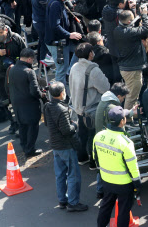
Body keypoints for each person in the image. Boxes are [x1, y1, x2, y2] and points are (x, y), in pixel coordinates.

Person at [44, 82, 89, 212]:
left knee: (60, 174)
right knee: (73, 175)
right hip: (66, 146)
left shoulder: (47, 106)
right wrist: (75, 125)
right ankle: (73, 203)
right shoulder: (62, 110)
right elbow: (67, 131)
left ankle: (62, 200)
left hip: (55, 146)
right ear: (61, 93)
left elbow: (48, 123)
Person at [93, 106, 141, 227]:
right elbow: (133, 168)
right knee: (124, 210)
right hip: (124, 184)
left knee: (106, 205)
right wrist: (138, 185)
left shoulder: (99, 136)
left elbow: (96, 159)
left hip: (106, 180)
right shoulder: (126, 142)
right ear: (122, 121)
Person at [69, 43, 111, 165]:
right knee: (94, 136)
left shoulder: (74, 67)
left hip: (78, 107)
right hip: (92, 109)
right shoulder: (93, 70)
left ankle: (82, 158)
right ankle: (94, 162)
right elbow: (105, 88)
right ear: (90, 54)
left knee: (82, 134)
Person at [0, 20, 26, 132]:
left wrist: (18, 64)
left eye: (0, 33)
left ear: (6, 30)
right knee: (5, 101)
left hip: (16, 75)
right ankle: (13, 123)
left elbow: (26, 53)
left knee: (19, 101)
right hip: (0, 76)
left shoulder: (16, 38)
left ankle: (20, 123)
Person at [9, 48, 45, 157]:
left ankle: (24, 146)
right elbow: (34, 91)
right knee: (32, 126)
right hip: (30, 105)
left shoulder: (12, 69)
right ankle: (30, 150)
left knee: (22, 126)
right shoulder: (29, 72)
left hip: (16, 103)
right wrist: (42, 95)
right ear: (29, 59)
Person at [113, 7, 148, 110]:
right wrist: (144, 15)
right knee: (132, 96)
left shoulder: (117, 30)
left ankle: (130, 115)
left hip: (126, 67)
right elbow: (146, 29)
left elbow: (132, 29)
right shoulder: (130, 33)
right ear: (129, 21)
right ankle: (128, 119)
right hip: (132, 70)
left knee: (132, 94)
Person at [45, 0, 82, 86]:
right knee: (61, 69)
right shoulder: (55, 4)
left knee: (79, 50)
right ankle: (60, 95)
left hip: (62, 40)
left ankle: (69, 73)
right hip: (57, 42)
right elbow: (55, 26)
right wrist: (70, 35)